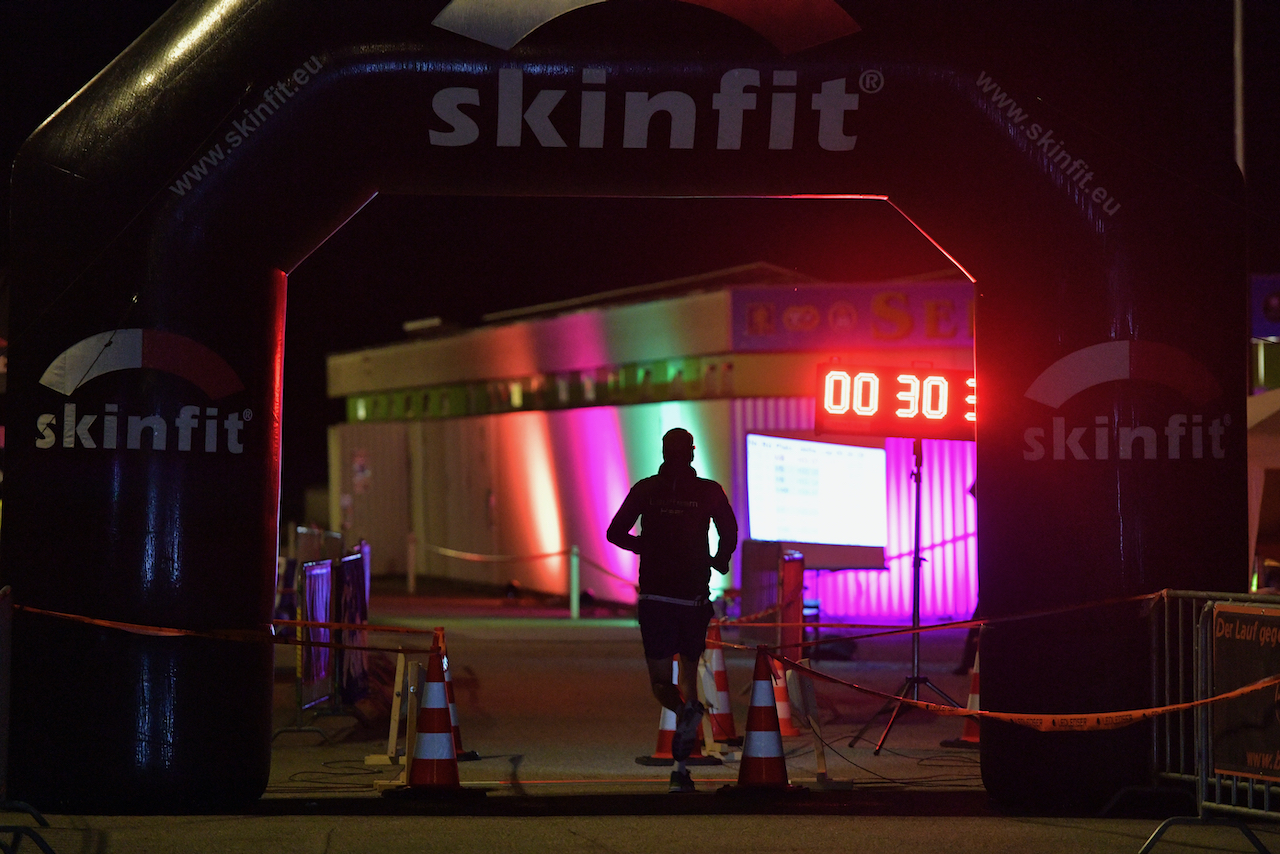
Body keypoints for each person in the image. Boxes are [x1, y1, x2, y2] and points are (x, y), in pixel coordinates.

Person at [607, 427, 738, 794]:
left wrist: (645, 547)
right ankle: (681, 772)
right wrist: (719, 560)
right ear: (692, 454)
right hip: (693, 597)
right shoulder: (709, 491)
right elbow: (730, 532)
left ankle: (683, 716)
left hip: (656, 598)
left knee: (661, 683)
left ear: (664, 452)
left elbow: (614, 533)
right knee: (690, 672)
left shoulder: (647, 489)